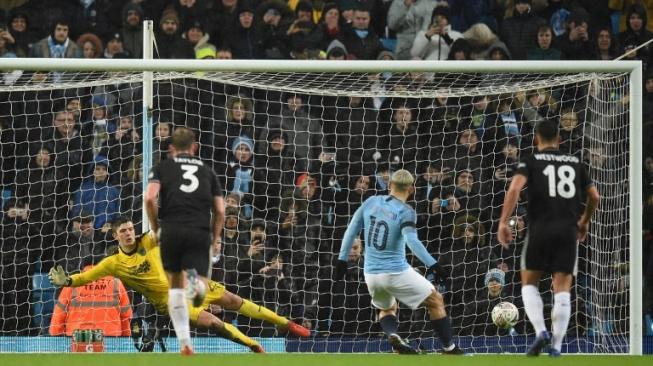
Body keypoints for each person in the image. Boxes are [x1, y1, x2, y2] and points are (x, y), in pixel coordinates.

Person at [48, 217, 311, 354]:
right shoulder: (113, 263)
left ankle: (285, 323)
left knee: (233, 300)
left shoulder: (147, 241)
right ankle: (253, 345)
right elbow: (85, 278)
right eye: (123, 231)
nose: (129, 233)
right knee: (213, 323)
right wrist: (67, 281)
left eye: (130, 229)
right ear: (115, 235)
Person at [497, 119, 600, 357]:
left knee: (529, 283)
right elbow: (595, 197)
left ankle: (541, 331)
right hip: (568, 232)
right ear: (560, 139)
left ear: (536, 139)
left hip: (540, 230)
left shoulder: (531, 160)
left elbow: (513, 189)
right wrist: (584, 221)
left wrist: (503, 222)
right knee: (562, 289)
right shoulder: (575, 162)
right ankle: (556, 346)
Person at [335, 169, 464, 355]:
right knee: (436, 300)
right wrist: (434, 265)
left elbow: (351, 231)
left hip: (370, 274)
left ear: (389, 185)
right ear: (411, 189)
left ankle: (393, 335)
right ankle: (449, 348)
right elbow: (412, 242)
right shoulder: (406, 212)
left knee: (387, 308)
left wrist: (341, 260)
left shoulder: (371, 201)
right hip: (395, 271)